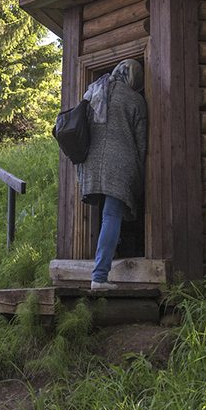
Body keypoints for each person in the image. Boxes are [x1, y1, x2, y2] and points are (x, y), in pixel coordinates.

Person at [77, 58, 148, 290]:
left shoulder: (94, 91)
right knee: (112, 217)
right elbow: (141, 144)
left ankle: (103, 265)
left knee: (106, 217)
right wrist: (140, 174)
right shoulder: (135, 100)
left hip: (91, 164)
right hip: (120, 165)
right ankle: (99, 277)